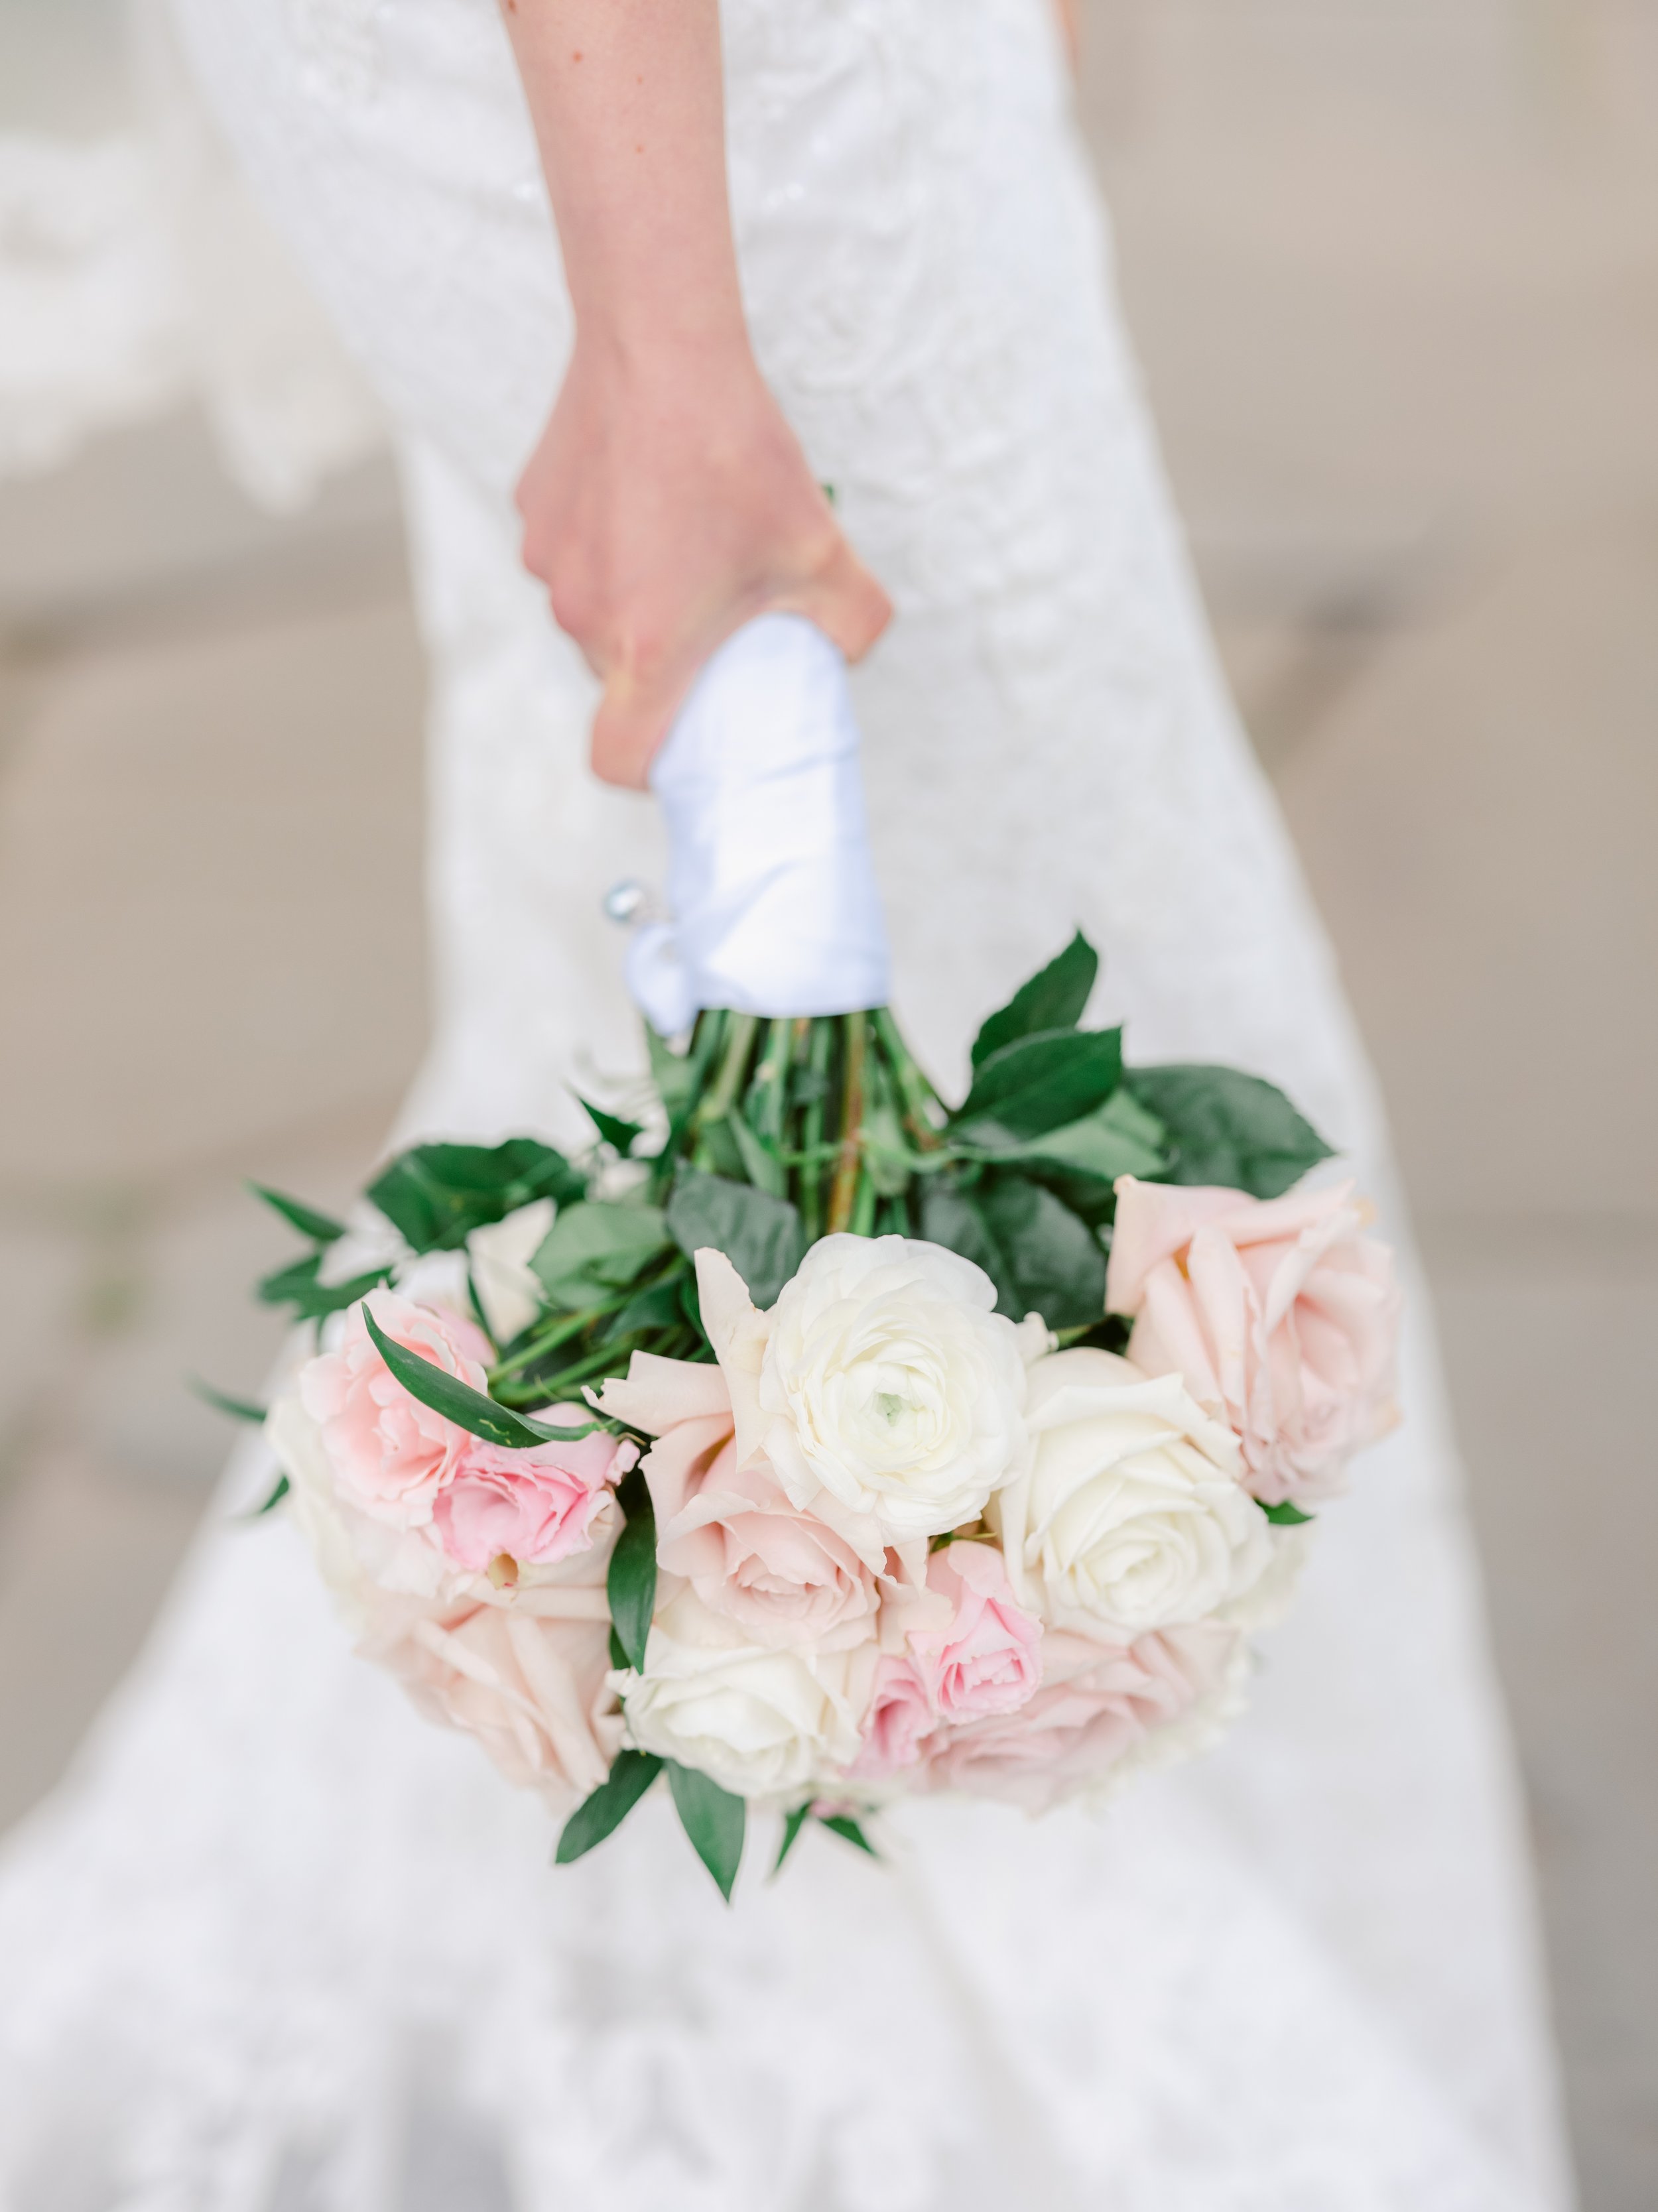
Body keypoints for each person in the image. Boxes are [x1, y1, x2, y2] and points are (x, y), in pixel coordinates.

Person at [0, 3, 1575, 2207]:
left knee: (687, 975)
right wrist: (663, 344)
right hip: (680, 117)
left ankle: (686, 1957)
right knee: (1079, 1035)